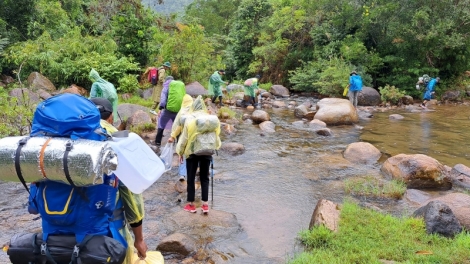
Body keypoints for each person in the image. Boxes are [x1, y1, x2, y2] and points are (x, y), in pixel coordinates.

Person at [90, 97, 149, 263]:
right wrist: (139, 239)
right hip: (108, 230)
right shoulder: (116, 141)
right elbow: (132, 196)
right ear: (110, 118)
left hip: (62, 233)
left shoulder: (67, 138)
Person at [176, 96, 221, 214]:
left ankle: (191, 205)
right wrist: (215, 148)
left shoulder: (189, 119)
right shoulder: (210, 120)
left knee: (190, 178)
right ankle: (205, 205)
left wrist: (180, 152)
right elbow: (217, 136)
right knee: (205, 178)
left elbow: (184, 138)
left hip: (192, 152)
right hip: (207, 151)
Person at [168, 94, 194, 181]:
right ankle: (194, 171)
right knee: (193, 154)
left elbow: (177, 126)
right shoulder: (195, 110)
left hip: (182, 137)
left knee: (182, 154)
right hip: (192, 136)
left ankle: (182, 174)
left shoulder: (181, 112)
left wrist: (172, 136)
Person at [154, 77, 186, 149]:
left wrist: (160, 108)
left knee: (161, 124)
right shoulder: (179, 86)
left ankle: (157, 142)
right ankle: (179, 144)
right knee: (178, 126)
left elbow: (163, 99)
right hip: (178, 110)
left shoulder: (166, 86)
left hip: (168, 110)